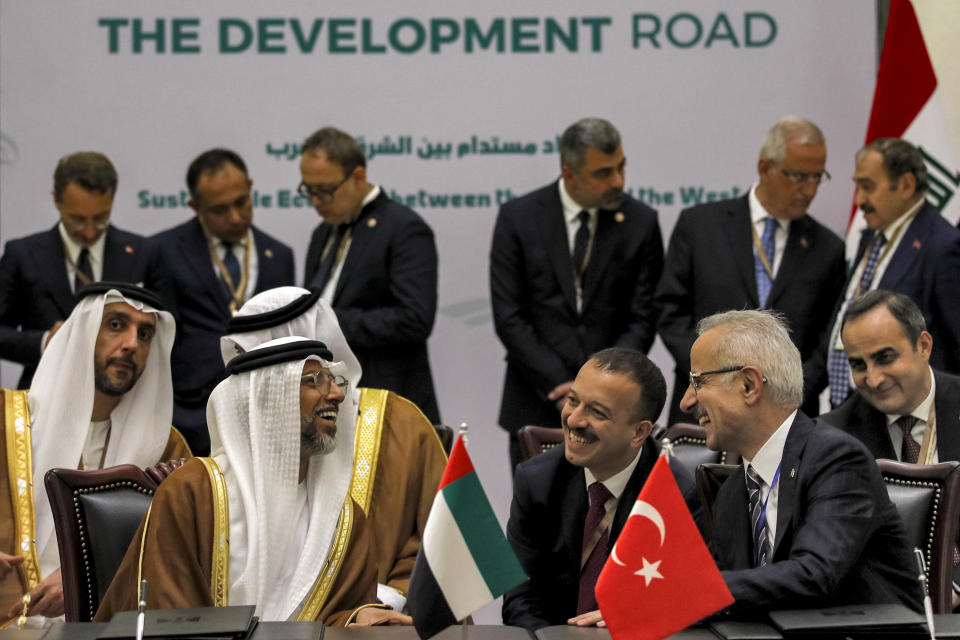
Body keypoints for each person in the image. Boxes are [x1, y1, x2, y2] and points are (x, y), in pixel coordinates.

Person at [96, 337, 410, 626]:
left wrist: (358, 618)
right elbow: (168, 617)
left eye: (335, 381)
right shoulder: (195, 491)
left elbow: (332, 615)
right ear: (267, 400)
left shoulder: (345, 518)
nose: (338, 394)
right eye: (316, 381)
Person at [220, 286, 447, 611]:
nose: (251, 381)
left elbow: (443, 544)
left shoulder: (401, 422)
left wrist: (384, 598)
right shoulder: (235, 442)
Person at [679, 309, 920, 615]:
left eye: (698, 382)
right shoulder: (731, 492)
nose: (686, 401)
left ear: (749, 385)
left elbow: (815, 574)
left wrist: (686, 592)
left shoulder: (837, 460)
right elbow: (731, 597)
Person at [0, 282, 189, 622]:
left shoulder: (169, 450)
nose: (132, 344)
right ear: (83, 334)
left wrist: (83, 579)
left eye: (145, 334)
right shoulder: (4, 420)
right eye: (116, 326)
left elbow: (178, 553)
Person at [490, 118, 663, 470]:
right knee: (538, 518)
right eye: (603, 173)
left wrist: (599, 386)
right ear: (569, 173)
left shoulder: (640, 222)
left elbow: (643, 316)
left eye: (621, 168)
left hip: (613, 412)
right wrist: (563, 387)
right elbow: (510, 317)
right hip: (537, 399)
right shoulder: (519, 218)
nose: (618, 181)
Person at [657, 117, 845, 423]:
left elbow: (828, 338)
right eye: (798, 176)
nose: (809, 189)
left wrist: (790, 391)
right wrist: (713, 377)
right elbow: (670, 312)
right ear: (764, 168)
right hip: (703, 408)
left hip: (787, 416)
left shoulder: (828, 248)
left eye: (817, 177)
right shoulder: (700, 226)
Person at [502, 348, 699, 630]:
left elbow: (686, 604)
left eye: (597, 412)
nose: (573, 420)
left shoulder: (678, 495)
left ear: (639, 432)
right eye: (573, 401)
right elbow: (520, 599)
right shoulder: (536, 481)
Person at [147, 148, 294, 454]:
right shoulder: (163, 251)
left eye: (242, 202)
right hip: (189, 412)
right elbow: (159, 336)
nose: (236, 217)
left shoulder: (279, 255)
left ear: (251, 187)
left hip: (263, 413)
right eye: (219, 209)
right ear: (195, 206)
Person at [821, 290, 960, 609]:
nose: (873, 378)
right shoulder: (831, 437)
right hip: (889, 612)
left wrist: (951, 588)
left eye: (885, 358)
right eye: (858, 364)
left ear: (923, 346)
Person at [299, 127, 440, 424]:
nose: (316, 201)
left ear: (358, 177)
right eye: (308, 190)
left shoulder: (404, 228)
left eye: (324, 190)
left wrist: (329, 323)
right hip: (330, 397)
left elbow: (414, 319)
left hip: (386, 398)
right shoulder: (323, 232)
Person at [814, 137, 960, 409]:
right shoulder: (871, 236)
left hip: (909, 419)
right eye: (857, 186)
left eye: (868, 187)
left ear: (905, 186)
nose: (860, 200)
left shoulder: (942, 246)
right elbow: (838, 328)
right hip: (851, 413)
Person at [0, 152, 154, 389]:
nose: (90, 231)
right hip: (43, 393)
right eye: (78, 219)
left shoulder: (144, 252)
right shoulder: (22, 254)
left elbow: (168, 328)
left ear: (112, 199)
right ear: (56, 200)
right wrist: (44, 342)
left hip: (124, 396)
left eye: (101, 218)